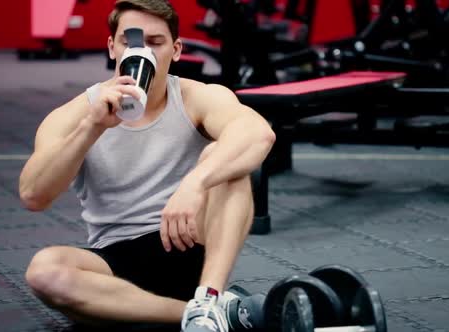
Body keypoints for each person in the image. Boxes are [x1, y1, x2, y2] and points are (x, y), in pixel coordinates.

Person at [18, 1, 276, 331]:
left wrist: (194, 183)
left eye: (155, 42)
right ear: (113, 47)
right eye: (131, 41)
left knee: (226, 162)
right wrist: (92, 127)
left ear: (176, 49)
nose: (143, 51)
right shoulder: (72, 115)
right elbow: (33, 195)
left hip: (188, 242)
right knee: (44, 271)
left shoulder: (196, 97)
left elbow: (258, 134)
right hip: (114, 262)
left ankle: (208, 298)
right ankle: (202, 317)